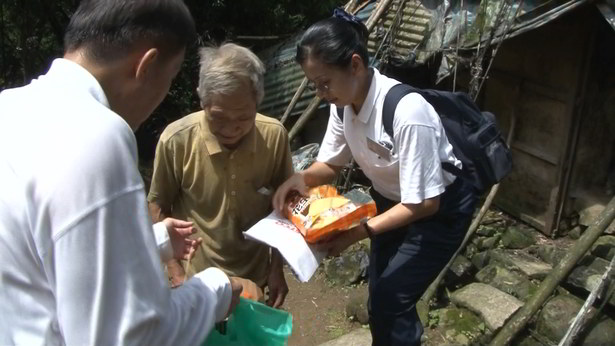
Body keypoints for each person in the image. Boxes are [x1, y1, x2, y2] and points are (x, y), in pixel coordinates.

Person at [0, 0, 242, 345]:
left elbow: (39, 256)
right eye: (170, 79)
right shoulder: (96, 134)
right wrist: (217, 288)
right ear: (148, 64)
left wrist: (154, 241)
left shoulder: (10, 109)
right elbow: (130, 337)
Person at [273, 8, 478, 345]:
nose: (320, 93)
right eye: (314, 85)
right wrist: (299, 180)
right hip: (390, 201)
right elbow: (331, 164)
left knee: (392, 298)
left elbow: (425, 203)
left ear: (355, 65)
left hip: (437, 212)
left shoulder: (407, 112)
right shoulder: (343, 104)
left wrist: (358, 233)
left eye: (324, 82)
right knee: (380, 296)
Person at [147, 43, 293, 308]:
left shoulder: (274, 136)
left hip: (255, 278)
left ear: (257, 103)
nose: (231, 129)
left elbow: (284, 209)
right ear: (202, 101)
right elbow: (157, 206)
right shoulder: (176, 140)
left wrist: (276, 268)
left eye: (243, 118)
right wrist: (176, 272)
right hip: (197, 280)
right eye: (219, 118)